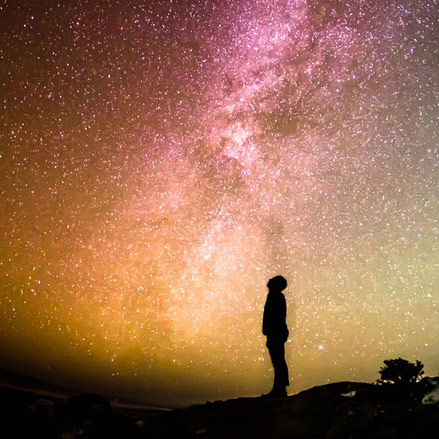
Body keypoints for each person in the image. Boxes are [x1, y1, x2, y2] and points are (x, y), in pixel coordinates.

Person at [262, 275, 289, 397]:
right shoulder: (274, 296)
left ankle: (280, 389)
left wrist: (271, 331)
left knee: (278, 360)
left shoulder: (276, 297)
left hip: (276, 332)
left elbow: (277, 317)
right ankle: (279, 388)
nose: (269, 281)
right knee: (277, 360)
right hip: (275, 332)